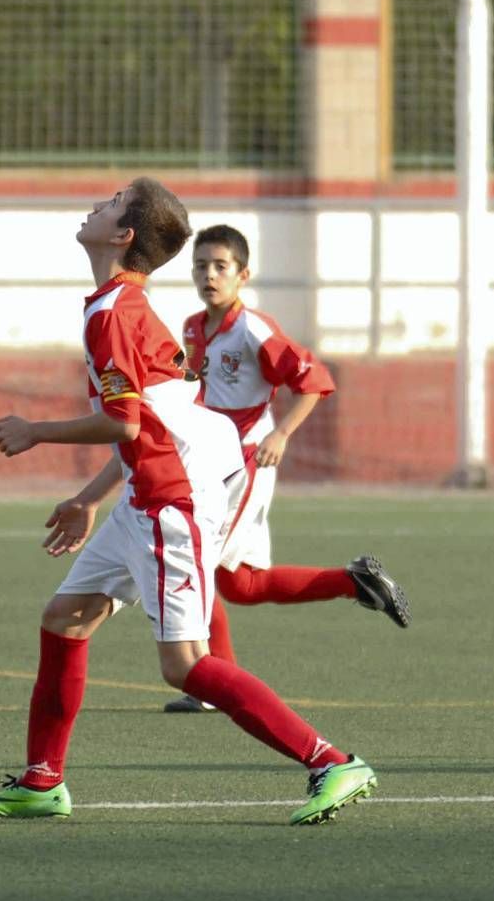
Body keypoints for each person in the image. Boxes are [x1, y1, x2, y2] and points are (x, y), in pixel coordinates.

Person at [0, 178, 378, 827]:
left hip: (171, 502)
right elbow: (158, 421)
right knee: (65, 615)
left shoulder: (115, 315)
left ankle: (330, 760)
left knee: (185, 665)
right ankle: (42, 782)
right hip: (150, 492)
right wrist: (91, 497)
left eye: (110, 203)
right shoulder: (121, 306)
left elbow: (126, 425)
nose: (95, 205)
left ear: (122, 234)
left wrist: (36, 430)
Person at [166, 223, 410, 714]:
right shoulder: (194, 327)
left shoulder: (252, 328)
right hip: (213, 462)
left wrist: (280, 435)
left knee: (198, 563)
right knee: (243, 584)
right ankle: (355, 581)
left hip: (246, 462)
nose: (209, 275)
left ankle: (216, 683)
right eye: (200, 266)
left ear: (242, 274)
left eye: (220, 267)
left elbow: (314, 381)